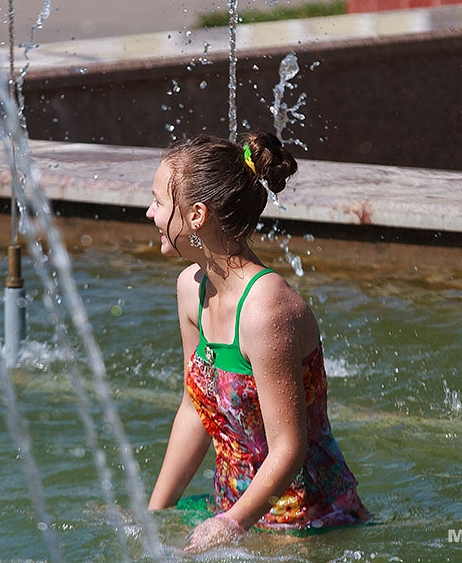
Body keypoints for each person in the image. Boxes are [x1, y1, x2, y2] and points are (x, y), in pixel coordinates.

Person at [145, 132, 368, 552]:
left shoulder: (267, 311)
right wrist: (155, 514)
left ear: (196, 215)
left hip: (308, 526)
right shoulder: (191, 288)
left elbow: (289, 448)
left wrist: (229, 525)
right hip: (234, 513)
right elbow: (196, 408)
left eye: (158, 201)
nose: (149, 212)